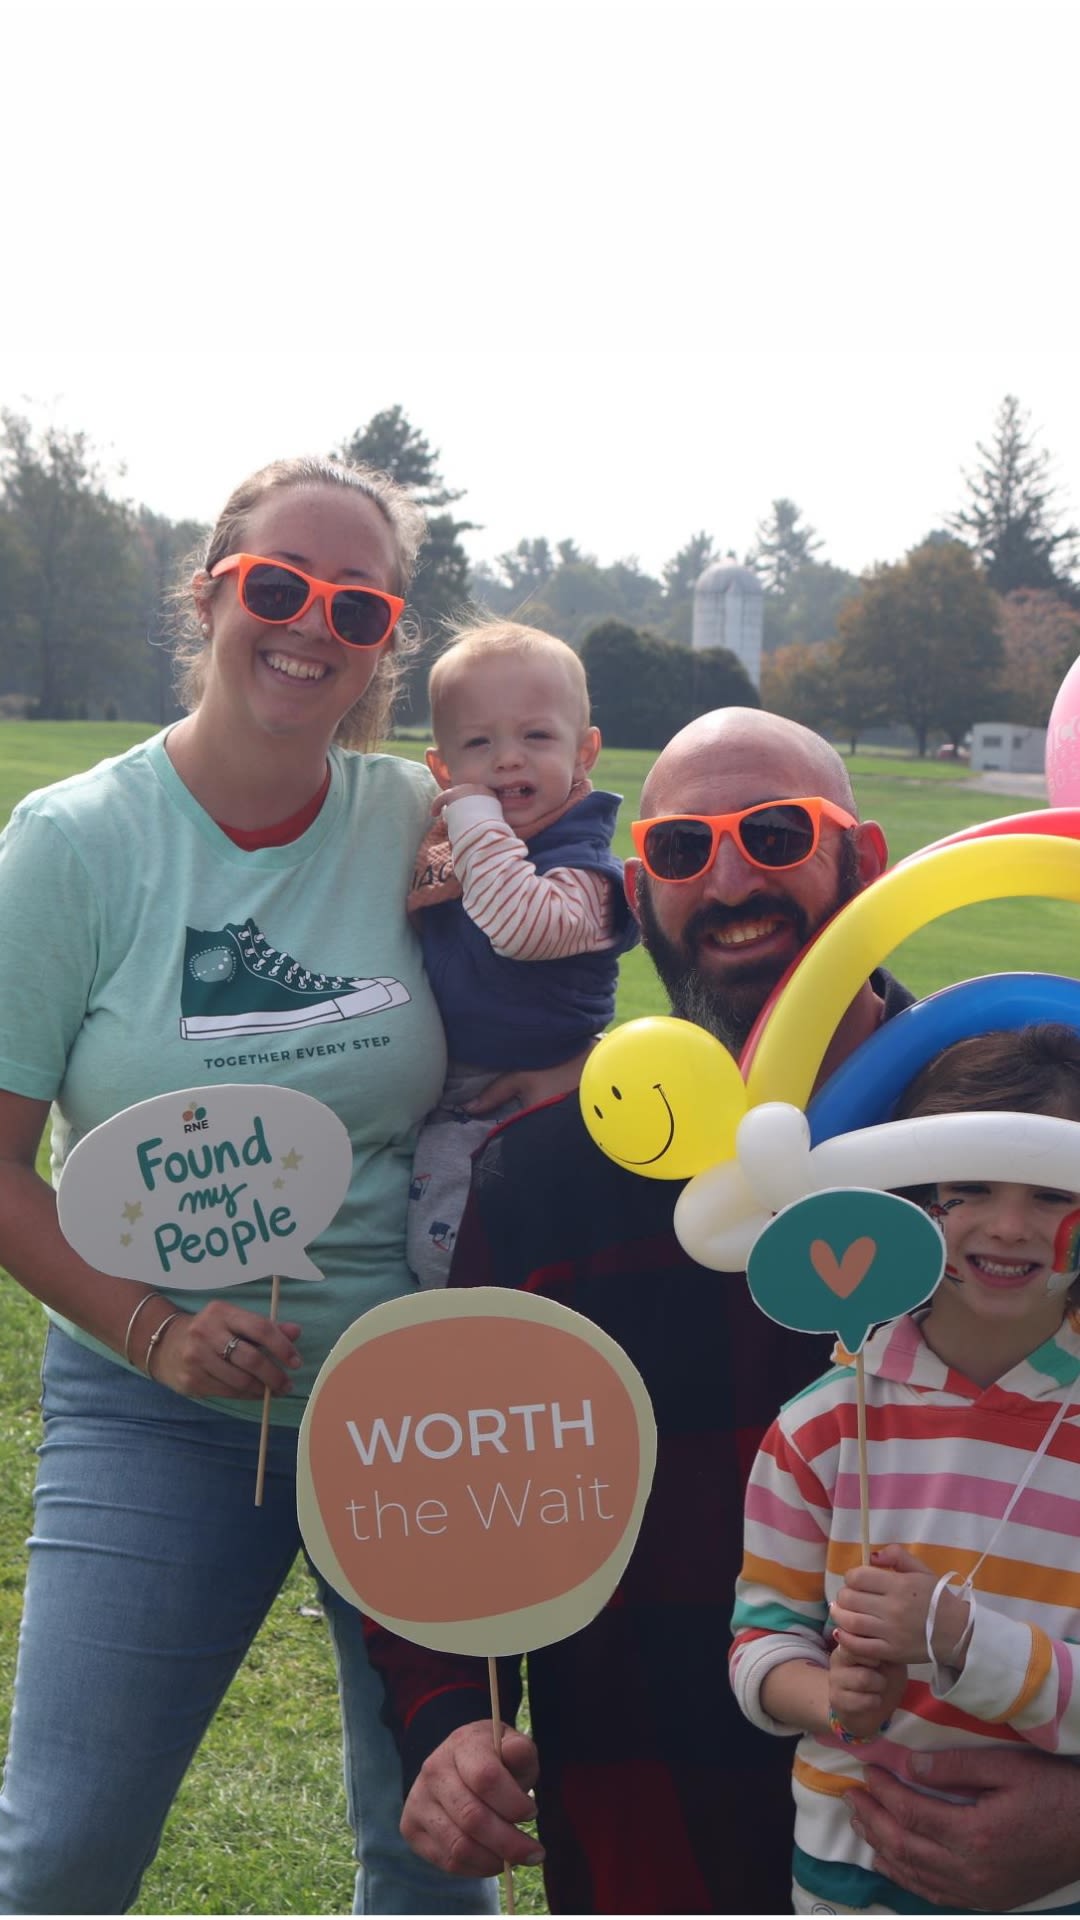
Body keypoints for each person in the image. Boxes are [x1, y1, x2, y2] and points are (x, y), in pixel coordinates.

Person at [369, 707, 1080, 1915]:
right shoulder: (546, 1181)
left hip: (964, 1848)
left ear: (863, 861)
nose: (733, 877)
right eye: (687, 852)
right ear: (640, 895)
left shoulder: (1014, 1149)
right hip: (649, 1825)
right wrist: (448, 1724)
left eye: (774, 832)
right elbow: (449, 1486)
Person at [0, 455, 501, 1915]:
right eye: (277, 587)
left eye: (355, 604)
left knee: (434, 1851)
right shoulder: (77, 846)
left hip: (415, 1397)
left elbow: (545, 997)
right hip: (158, 1404)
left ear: (385, 640)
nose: (309, 626)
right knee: (66, 1846)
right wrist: (155, 1328)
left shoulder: (419, 815)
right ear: (214, 590)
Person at [731, 1023, 1080, 1915]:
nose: (1008, 1227)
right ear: (914, 1199)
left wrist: (964, 1641)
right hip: (849, 1877)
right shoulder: (820, 1428)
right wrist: (832, 1700)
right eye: (971, 1190)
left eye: (1050, 1194)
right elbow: (761, 1642)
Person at [406, 619, 636, 1284]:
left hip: (530, 1098)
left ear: (585, 751)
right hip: (449, 1089)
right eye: (479, 743)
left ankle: (477, 1342)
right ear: (441, 768)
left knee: (460, 1257)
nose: (508, 758)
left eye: (536, 736)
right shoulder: (448, 846)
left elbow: (521, 925)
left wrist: (473, 815)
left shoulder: (586, 872)